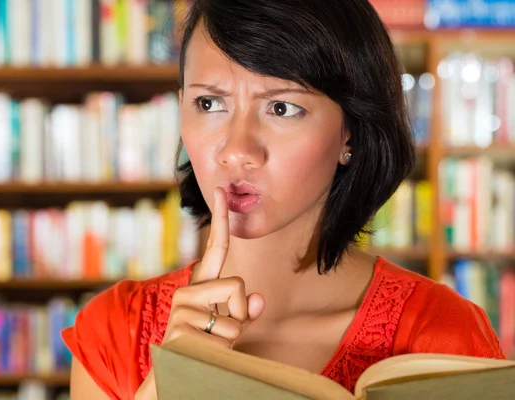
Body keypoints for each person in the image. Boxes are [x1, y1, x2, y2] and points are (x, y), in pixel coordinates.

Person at [62, 0, 506, 398]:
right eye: (209, 104)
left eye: (281, 108)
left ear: (349, 129)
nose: (237, 149)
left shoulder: (445, 336)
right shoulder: (115, 333)